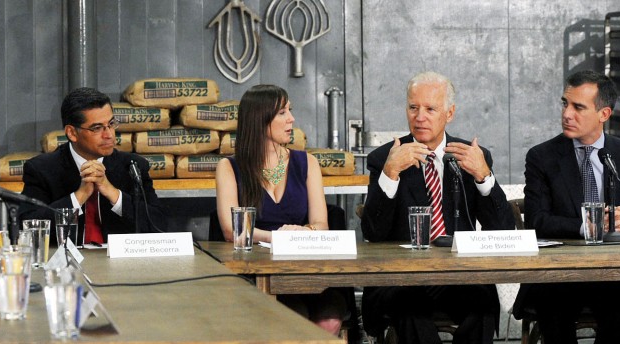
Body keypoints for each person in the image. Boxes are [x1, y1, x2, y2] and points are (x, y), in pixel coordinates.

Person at [514, 70, 620, 343]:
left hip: (612, 274)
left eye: (578, 107)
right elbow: (536, 221)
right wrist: (590, 225)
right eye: (565, 104)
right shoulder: (542, 157)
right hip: (558, 275)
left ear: (604, 114)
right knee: (555, 317)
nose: (567, 114)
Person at [361, 72, 513, 344]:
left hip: (458, 275)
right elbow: (373, 231)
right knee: (410, 309)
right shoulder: (385, 158)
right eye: (413, 108)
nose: (420, 117)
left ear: (450, 113)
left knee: (482, 303)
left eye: (430, 109)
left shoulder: (471, 156)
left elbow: (502, 230)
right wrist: (390, 172)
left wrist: (483, 176)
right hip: (403, 278)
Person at [214, 84, 346, 335]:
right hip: (256, 276)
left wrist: (301, 231)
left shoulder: (307, 162)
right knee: (293, 316)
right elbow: (233, 231)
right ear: (260, 119)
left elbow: (321, 224)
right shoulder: (228, 167)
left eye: (290, 111)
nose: (292, 119)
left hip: (306, 274)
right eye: (282, 113)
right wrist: (274, 237)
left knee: (327, 321)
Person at [19, 87, 166, 244]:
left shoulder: (133, 167)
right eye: (97, 128)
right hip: (66, 264)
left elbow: (160, 225)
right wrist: (80, 196)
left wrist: (113, 193)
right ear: (72, 133)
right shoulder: (42, 169)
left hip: (119, 265)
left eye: (111, 124)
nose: (109, 134)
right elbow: (28, 229)